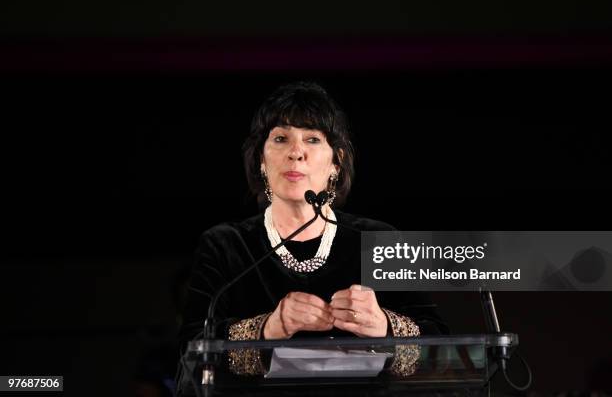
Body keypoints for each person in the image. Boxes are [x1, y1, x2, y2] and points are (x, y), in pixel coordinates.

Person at [177, 82, 446, 392]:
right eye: (280, 138)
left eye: (312, 139)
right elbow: (192, 353)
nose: (296, 153)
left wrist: (383, 325)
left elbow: (438, 348)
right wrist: (269, 327)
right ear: (261, 162)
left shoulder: (378, 240)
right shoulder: (225, 244)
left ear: (336, 163)